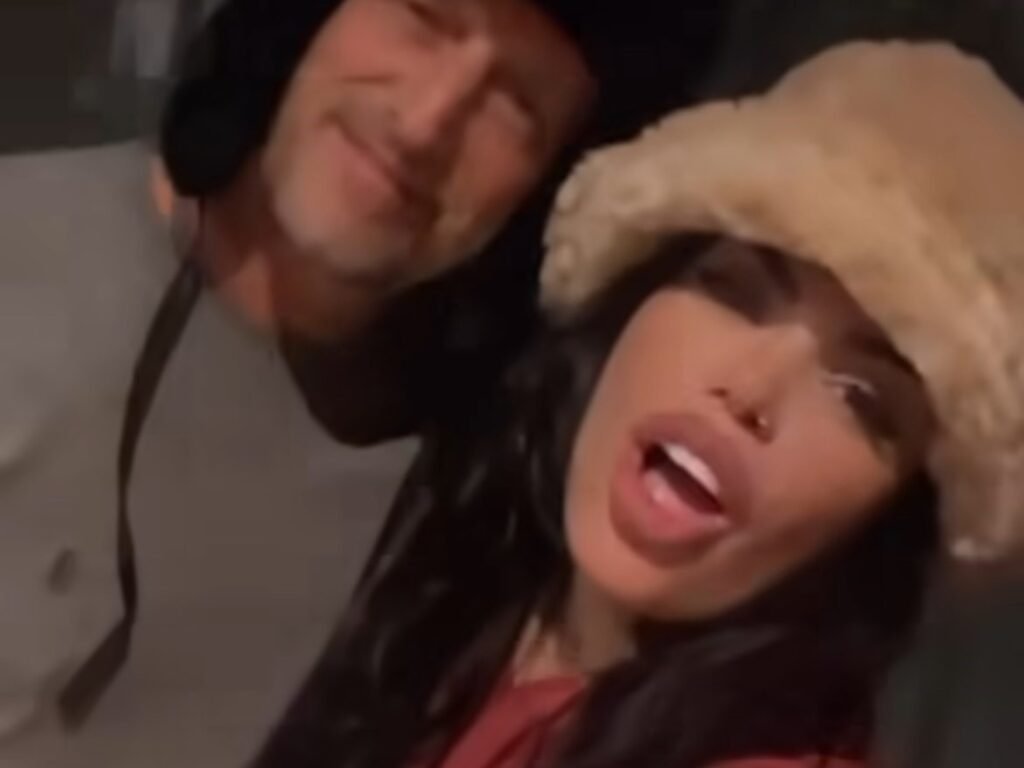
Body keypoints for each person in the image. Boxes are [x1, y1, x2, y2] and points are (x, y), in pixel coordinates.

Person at [254, 40, 1024, 768]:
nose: (751, 390)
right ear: (630, 299)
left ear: (884, 522)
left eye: (861, 398)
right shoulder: (425, 569)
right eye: (733, 291)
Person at [0, 0, 730, 765]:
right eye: (423, 15)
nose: (423, 123)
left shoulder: (465, 520)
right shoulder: (25, 254)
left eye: (515, 104)